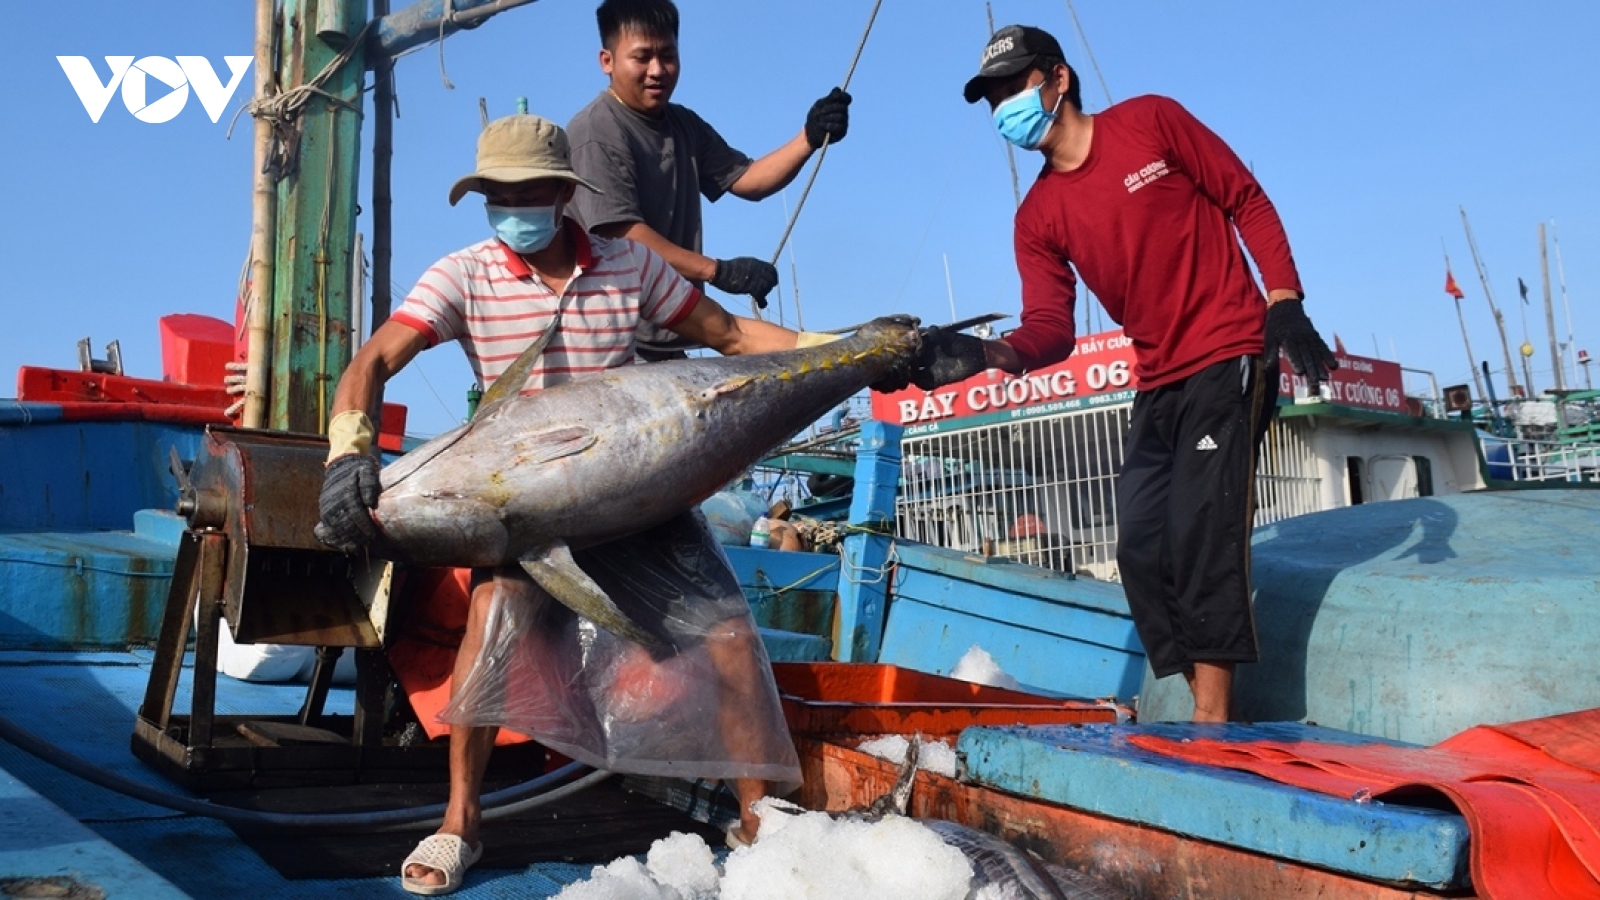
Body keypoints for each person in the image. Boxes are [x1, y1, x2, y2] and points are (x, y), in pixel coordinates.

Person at [314, 113, 838, 895]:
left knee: (730, 635)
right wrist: (350, 448)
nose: (509, 207)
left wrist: (854, 348)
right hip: (524, 506)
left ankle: (758, 814)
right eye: (495, 194)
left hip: (631, 496)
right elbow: (375, 358)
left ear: (563, 194)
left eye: (525, 193)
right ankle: (462, 821)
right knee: (491, 626)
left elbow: (728, 335)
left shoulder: (629, 265)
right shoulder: (463, 274)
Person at [912, 24, 1337, 723]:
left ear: (1058, 79)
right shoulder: (1037, 216)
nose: (1003, 110)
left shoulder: (1151, 122)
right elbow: (1050, 327)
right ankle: (1207, 707)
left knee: (1202, 531)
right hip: (1159, 376)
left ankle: (1213, 724)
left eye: (1012, 88)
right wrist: (991, 354)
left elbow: (1246, 200)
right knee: (1139, 547)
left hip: (1229, 349)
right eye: (991, 99)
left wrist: (1283, 301)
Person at [566, 0, 851, 357]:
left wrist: (809, 136)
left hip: (673, 338)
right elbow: (624, 236)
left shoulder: (684, 124)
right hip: (615, 347)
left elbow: (748, 180)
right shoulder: (596, 130)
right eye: (642, 58)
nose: (657, 70)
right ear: (606, 61)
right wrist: (719, 272)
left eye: (668, 56)